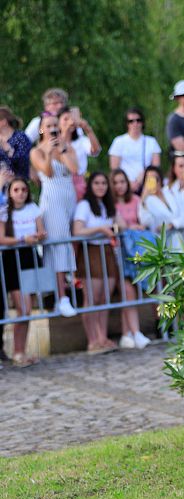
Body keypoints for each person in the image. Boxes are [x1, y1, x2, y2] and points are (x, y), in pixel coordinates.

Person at [29, 114, 78, 317]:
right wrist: (49, 152)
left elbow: (75, 169)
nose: (52, 129)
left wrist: (62, 148)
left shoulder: (65, 146)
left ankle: (73, 290)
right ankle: (61, 297)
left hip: (68, 197)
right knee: (58, 246)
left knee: (71, 244)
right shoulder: (36, 151)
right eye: (48, 126)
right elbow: (47, 173)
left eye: (55, 125)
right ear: (41, 129)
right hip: (52, 200)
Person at [0, 177, 46, 367]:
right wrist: (22, 239)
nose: (21, 193)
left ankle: (21, 351)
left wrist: (38, 237)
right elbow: (2, 239)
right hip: (12, 260)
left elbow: (42, 232)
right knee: (23, 309)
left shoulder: (33, 208)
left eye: (24, 190)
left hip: (30, 257)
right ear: (10, 193)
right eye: (16, 190)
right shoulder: (4, 212)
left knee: (28, 308)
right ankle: (17, 351)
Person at [72, 172, 119, 354]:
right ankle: (92, 340)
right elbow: (77, 230)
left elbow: (118, 223)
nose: (101, 186)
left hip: (107, 251)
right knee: (91, 298)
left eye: (104, 183)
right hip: (90, 251)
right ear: (91, 185)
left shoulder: (107, 205)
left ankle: (102, 337)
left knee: (104, 299)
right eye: (97, 183)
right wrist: (100, 229)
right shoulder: (84, 205)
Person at [110, 169, 151, 350]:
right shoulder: (110, 204)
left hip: (136, 251)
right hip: (119, 253)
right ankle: (134, 333)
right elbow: (119, 225)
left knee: (132, 291)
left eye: (122, 181)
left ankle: (128, 334)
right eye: (116, 182)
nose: (119, 186)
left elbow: (144, 220)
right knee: (127, 291)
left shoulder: (135, 200)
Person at [109, 107, 162, 192]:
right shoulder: (119, 141)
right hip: (124, 186)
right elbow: (114, 168)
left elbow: (156, 166)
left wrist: (141, 178)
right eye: (131, 121)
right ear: (127, 124)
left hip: (147, 185)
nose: (135, 123)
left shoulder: (151, 142)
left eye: (138, 120)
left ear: (142, 122)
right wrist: (128, 183)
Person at [138, 166, 180, 249]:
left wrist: (172, 224)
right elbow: (145, 221)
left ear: (160, 180)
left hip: (179, 238)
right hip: (161, 243)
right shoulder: (146, 200)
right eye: (149, 179)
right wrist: (144, 197)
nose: (153, 182)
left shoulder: (169, 192)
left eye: (155, 178)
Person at [0, 107, 32, 179]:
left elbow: (24, 161)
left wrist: (8, 150)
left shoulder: (20, 137)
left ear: (3, 122)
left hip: (18, 182)